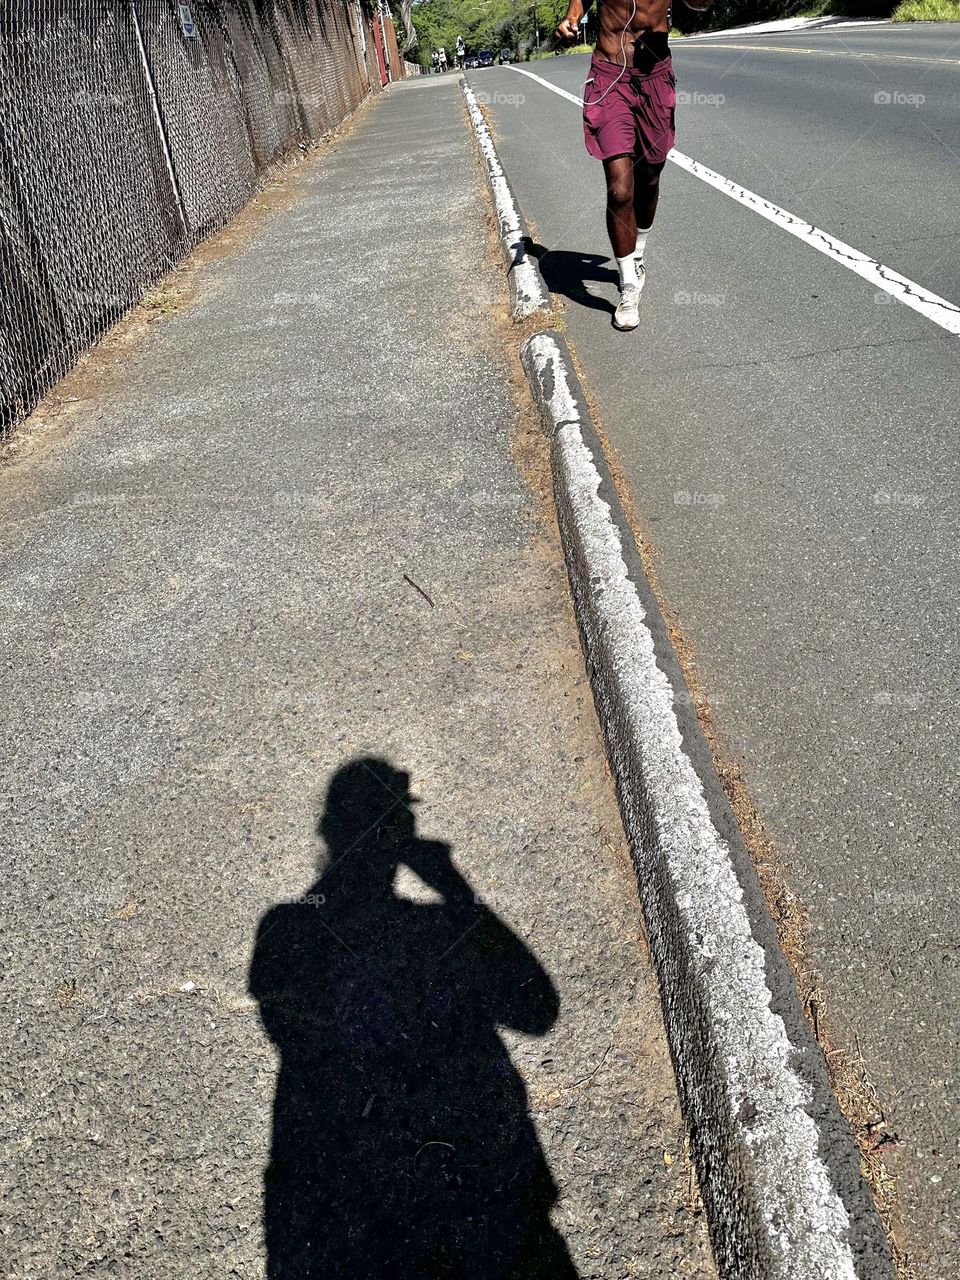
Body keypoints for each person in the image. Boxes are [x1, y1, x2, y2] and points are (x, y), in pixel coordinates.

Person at [250, 759, 576, 1278]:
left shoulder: (288, 929)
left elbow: (539, 1012)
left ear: (327, 830)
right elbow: (536, 1011)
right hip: (444, 1193)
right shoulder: (431, 928)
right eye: (394, 819)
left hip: (346, 1202)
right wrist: (453, 887)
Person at [557, 0, 713, 331]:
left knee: (650, 175)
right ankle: (628, 286)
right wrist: (572, 19)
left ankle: (637, 254)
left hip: (654, 75)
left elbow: (698, 4)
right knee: (619, 189)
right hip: (609, 77)